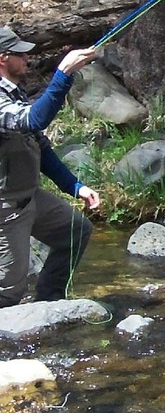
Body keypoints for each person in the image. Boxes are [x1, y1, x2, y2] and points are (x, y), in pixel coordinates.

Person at [0, 26, 101, 307]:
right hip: (6, 207)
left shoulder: (13, 92)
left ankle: (50, 300)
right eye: (20, 55)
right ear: (3, 59)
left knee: (75, 230)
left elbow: (40, 147)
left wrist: (75, 187)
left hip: (29, 197)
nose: (27, 60)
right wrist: (63, 74)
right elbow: (33, 120)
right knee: (8, 292)